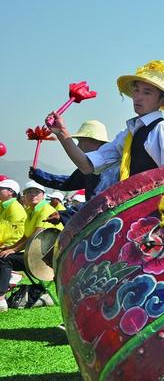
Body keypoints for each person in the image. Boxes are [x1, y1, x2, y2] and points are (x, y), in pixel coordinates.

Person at [46, 60, 164, 190]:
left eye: (147, 92)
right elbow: (87, 165)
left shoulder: (162, 129)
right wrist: (61, 132)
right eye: (136, 90)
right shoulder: (128, 135)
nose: (138, 97)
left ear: (163, 101)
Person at [0, 181, 63, 312]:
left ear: (43, 195)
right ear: (23, 196)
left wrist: (13, 249)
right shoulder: (31, 211)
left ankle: (1, 299)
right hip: (34, 255)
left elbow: (35, 236)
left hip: (46, 260)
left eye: (36, 192)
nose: (32, 195)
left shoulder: (46, 210)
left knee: (4, 259)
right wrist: (10, 247)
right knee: (4, 255)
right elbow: (25, 236)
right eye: (28, 192)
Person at [29, 120, 114, 200]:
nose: (78, 146)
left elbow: (99, 202)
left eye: (82, 141)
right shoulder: (90, 167)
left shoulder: (111, 169)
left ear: (97, 141)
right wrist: (38, 175)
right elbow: (68, 183)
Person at [0, 179, 26, 251]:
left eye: (0, 189)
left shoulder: (15, 208)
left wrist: (6, 248)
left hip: (10, 248)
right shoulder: (3, 205)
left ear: (10, 192)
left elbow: (16, 235)